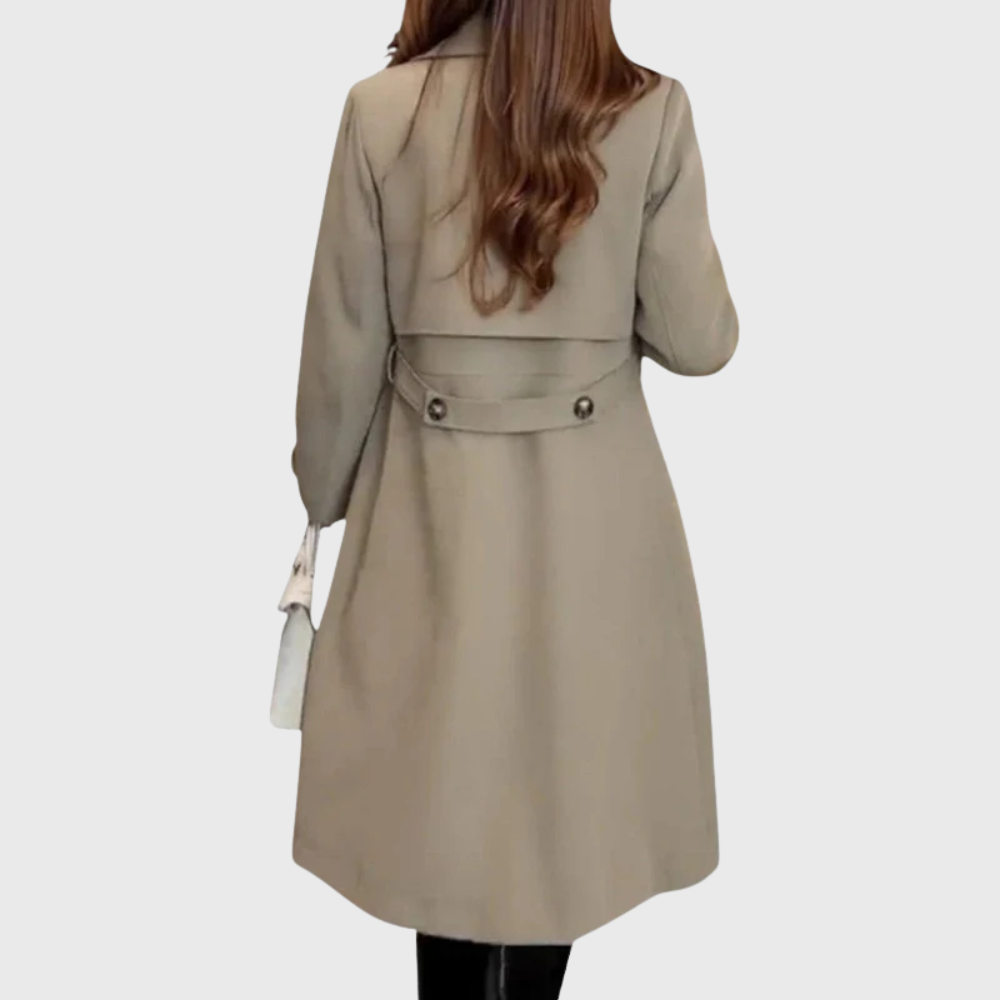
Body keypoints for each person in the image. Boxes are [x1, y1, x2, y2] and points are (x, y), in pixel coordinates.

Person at [285, 1, 738, 996]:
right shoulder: (651, 112)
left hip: (426, 515)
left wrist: (322, 498)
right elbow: (699, 340)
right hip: (596, 529)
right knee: (563, 808)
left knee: (434, 805)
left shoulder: (379, 112)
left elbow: (339, 353)